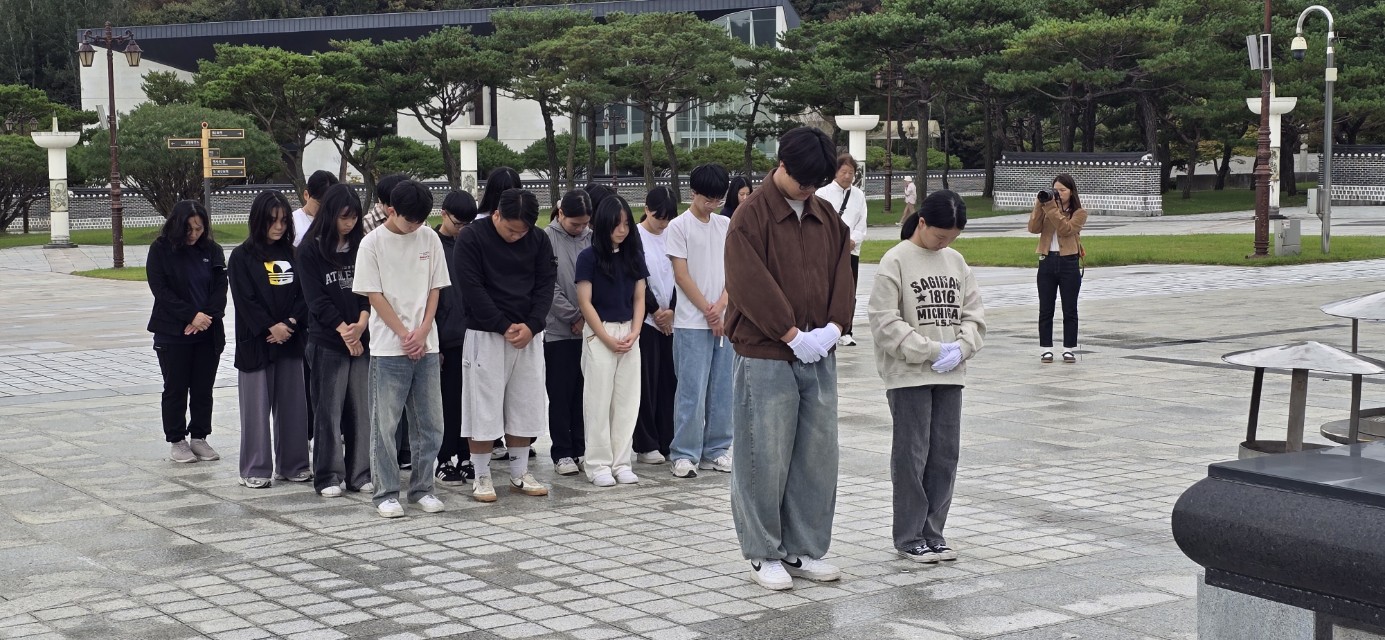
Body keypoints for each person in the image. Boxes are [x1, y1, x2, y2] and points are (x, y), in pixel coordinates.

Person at [724, 126, 854, 590]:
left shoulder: (825, 216)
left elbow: (844, 271)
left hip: (818, 350)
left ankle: (804, 548)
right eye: (803, 181)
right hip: (766, 353)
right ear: (781, 165)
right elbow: (746, 282)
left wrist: (835, 327)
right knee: (765, 453)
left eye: (816, 183)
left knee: (817, 455)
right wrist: (789, 332)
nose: (809, 190)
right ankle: (763, 551)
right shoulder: (751, 216)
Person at [868, 189, 986, 563]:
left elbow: (974, 315)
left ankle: (934, 531)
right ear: (921, 223)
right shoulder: (896, 260)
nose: (944, 243)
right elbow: (884, 322)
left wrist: (962, 347)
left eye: (951, 238)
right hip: (909, 374)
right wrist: (931, 350)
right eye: (939, 236)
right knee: (912, 454)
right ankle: (909, 535)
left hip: (951, 373)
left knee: (945, 454)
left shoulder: (956, 261)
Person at [351, 180, 451, 518]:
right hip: (388, 347)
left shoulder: (430, 238)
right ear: (391, 210)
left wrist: (422, 332)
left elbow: (436, 288)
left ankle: (423, 488)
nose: (417, 227)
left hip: (426, 344)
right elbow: (373, 294)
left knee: (431, 423)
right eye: (411, 221)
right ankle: (386, 492)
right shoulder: (371, 243)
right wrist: (405, 334)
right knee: (386, 424)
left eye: (422, 220)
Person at [454, 188, 557, 503]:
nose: (516, 236)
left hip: (527, 334)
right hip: (485, 335)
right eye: (510, 229)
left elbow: (545, 285)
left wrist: (533, 325)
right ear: (496, 214)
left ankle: (519, 472)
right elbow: (471, 287)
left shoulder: (538, 241)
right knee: (482, 406)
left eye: (522, 231)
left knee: (524, 404)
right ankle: (482, 475)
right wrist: (501, 324)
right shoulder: (472, 238)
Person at [229, 190, 311, 489]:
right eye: (272, 221)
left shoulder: (295, 253)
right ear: (258, 221)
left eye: (283, 221)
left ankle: (294, 464)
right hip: (256, 345)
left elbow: (305, 295)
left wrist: (289, 323)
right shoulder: (241, 257)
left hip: (290, 341)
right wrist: (269, 327)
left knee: (293, 408)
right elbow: (244, 300)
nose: (278, 227)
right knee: (255, 411)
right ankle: (256, 467)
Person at [297, 184, 372, 498]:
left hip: (361, 336)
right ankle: (328, 476)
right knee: (328, 410)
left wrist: (361, 325)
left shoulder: (363, 246)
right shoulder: (308, 250)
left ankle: (360, 474)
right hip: (327, 341)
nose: (349, 223)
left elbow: (370, 291)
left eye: (354, 217)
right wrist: (345, 330)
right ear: (329, 215)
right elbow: (316, 301)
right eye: (344, 217)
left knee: (361, 410)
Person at [146, 200, 227, 464]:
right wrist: (190, 315)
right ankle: (177, 439)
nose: (194, 234)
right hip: (173, 333)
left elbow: (220, 288)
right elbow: (161, 290)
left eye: (199, 229)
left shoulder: (212, 251)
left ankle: (200, 436)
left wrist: (206, 317)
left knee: (203, 388)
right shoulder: (160, 250)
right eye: (189, 229)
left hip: (207, 331)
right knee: (176, 388)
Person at [665, 163, 733, 479]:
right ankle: (684, 453)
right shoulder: (679, 227)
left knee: (722, 389)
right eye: (707, 199)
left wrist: (721, 306)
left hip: (723, 319)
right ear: (693, 193)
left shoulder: (726, 225)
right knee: (692, 389)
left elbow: (735, 271)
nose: (712, 205)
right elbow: (682, 274)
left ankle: (716, 450)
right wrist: (708, 311)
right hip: (691, 323)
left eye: (718, 199)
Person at [575, 195, 648, 487]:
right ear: (602, 225)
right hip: (599, 331)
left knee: (627, 400)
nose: (622, 229)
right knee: (598, 399)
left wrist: (636, 331)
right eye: (616, 224)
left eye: (626, 224)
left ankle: (621, 461)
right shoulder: (588, 257)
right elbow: (585, 302)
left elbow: (640, 297)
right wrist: (604, 337)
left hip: (629, 330)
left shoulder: (633, 255)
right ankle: (598, 464)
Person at [544, 190, 594, 477]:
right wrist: (574, 316)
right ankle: (561, 451)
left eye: (585, 223)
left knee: (584, 393)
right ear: (560, 213)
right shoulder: (546, 239)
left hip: (590, 330)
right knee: (560, 393)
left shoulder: (592, 237)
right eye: (575, 223)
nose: (580, 228)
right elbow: (547, 285)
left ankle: (582, 447)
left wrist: (587, 317)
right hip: (558, 331)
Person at [476, 166, 525, 461]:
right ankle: (495, 440)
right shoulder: (480, 229)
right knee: (491, 390)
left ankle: (508, 440)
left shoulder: (523, 230)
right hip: (492, 323)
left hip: (514, 324)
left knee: (512, 390)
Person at [434, 190, 479, 485]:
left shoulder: (472, 242)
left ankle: (466, 455)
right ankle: (443, 458)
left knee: (471, 401)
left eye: (468, 223)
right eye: (458, 223)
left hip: (471, 335)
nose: (463, 228)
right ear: (443, 213)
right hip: (441, 337)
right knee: (446, 402)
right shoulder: (430, 243)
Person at [633, 187, 679, 464]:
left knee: (669, 382)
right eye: (658, 217)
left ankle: (668, 438)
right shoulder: (636, 237)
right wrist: (655, 311)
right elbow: (637, 277)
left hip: (672, 319)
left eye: (668, 218)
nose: (662, 223)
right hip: (646, 320)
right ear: (647, 209)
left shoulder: (674, 235)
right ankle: (645, 443)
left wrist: (672, 310)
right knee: (646, 383)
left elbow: (681, 274)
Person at [1027, 173, 1087, 364]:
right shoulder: (1047, 208)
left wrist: (1051, 207)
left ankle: (1068, 349)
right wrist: (1039, 204)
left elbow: (1065, 229)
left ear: (1071, 192)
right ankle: (1046, 349)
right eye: (1056, 190)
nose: (1059, 193)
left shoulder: (1079, 213)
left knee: (1070, 309)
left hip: (1069, 263)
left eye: (1063, 190)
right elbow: (1033, 228)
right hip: (1046, 261)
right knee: (1046, 308)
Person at [814, 154, 867, 347]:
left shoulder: (859, 196)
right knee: (825, 289)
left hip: (850, 251)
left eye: (850, 172)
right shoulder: (823, 193)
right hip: (827, 251)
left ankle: (846, 330)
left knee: (848, 290)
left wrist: (853, 240)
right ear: (835, 172)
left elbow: (862, 224)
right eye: (843, 172)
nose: (847, 176)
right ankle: (825, 329)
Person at [293, 169, 339, 247]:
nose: (324, 209)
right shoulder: (292, 221)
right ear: (306, 195)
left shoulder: (338, 222)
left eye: (329, 205)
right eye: (319, 204)